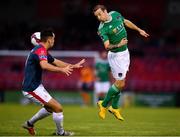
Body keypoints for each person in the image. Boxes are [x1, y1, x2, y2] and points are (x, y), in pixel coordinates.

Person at [22, 28, 85, 136]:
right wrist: (62, 70)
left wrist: (73, 66)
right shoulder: (40, 50)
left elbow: (56, 62)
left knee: (50, 109)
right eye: (54, 39)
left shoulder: (41, 50)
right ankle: (60, 133)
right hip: (31, 88)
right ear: (49, 40)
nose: (54, 41)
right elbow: (44, 65)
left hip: (36, 86)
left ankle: (29, 124)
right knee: (57, 108)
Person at [93, 5, 149, 120]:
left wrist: (139, 30)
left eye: (100, 14)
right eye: (96, 16)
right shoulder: (102, 29)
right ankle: (103, 105)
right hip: (116, 56)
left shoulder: (115, 14)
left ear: (105, 11)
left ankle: (114, 107)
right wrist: (119, 45)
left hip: (125, 53)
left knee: (120, 83)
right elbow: (107, 46)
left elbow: (125, 22)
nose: (99, 17)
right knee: (120, 83)